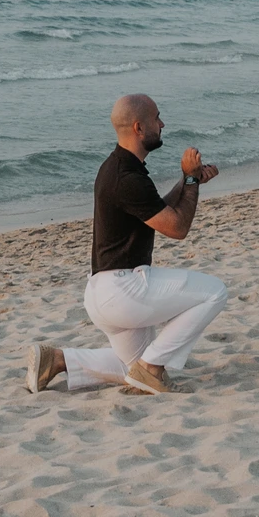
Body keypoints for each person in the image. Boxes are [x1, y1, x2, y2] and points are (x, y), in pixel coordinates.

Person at [26, 93, 226, 397]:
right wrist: (189, 182)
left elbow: (159, 210)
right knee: (214, 293)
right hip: (123, 289)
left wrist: (190, 179)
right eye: (157, 118)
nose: (162, 124)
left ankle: (57, 360)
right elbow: (177, 227)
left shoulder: (120, 168)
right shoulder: (126, 177)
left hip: (102, 292)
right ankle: (152, 368)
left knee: (129, 369)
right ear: (139, 128)